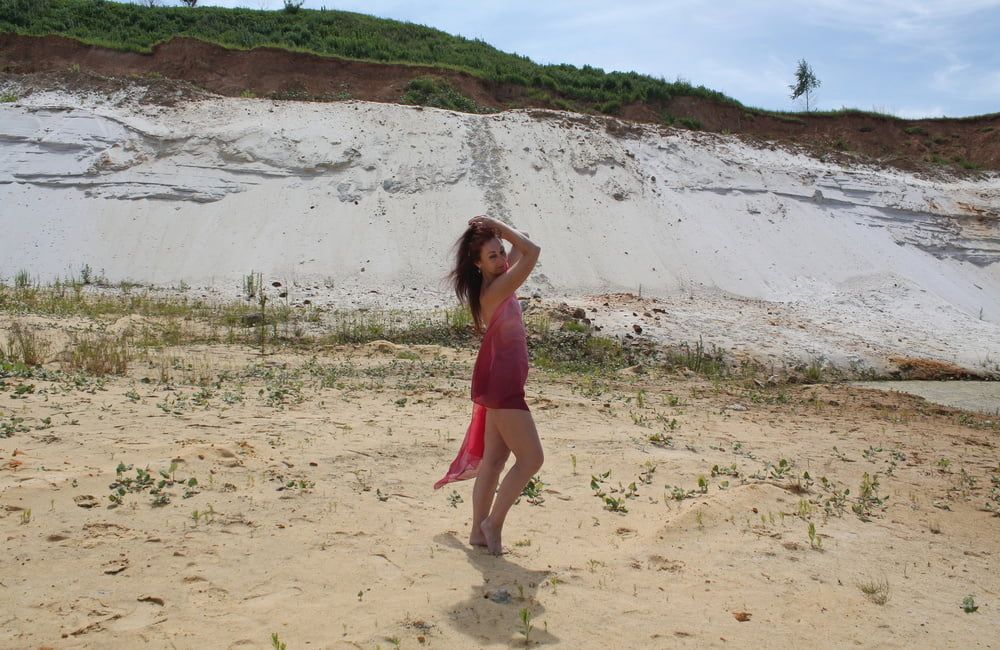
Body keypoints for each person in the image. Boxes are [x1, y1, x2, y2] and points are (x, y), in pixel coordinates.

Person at [434, 215, 543, 555]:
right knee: (532, 460)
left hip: (499, 379)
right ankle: (492, 523)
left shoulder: (496, 281)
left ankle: (477, 533)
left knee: (495, 461)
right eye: (492, 256)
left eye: (501, 253)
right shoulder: (498, 288)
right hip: (503, 385)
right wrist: (497, 225)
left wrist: (495, 233)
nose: (501, 259)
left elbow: (521, 238)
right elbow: (532, 249)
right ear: (478, 264)